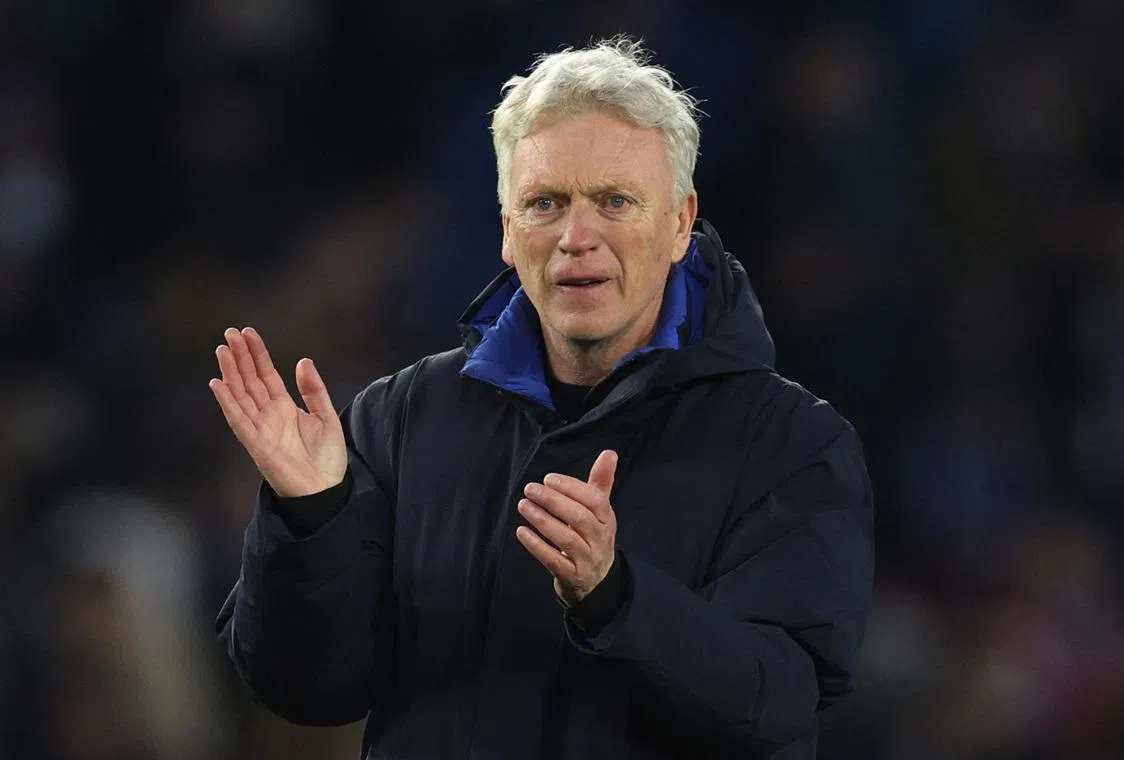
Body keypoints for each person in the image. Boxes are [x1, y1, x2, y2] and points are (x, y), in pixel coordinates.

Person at [213, 37, 874, 760]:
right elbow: (305, 689)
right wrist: (312, 520)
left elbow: (778, 702)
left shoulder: (794, 445)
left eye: (615, 201)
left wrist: (616, 597)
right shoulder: (398, 418)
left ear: (681, 224)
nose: (576, 237)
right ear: (506, 231)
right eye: (544, 203)